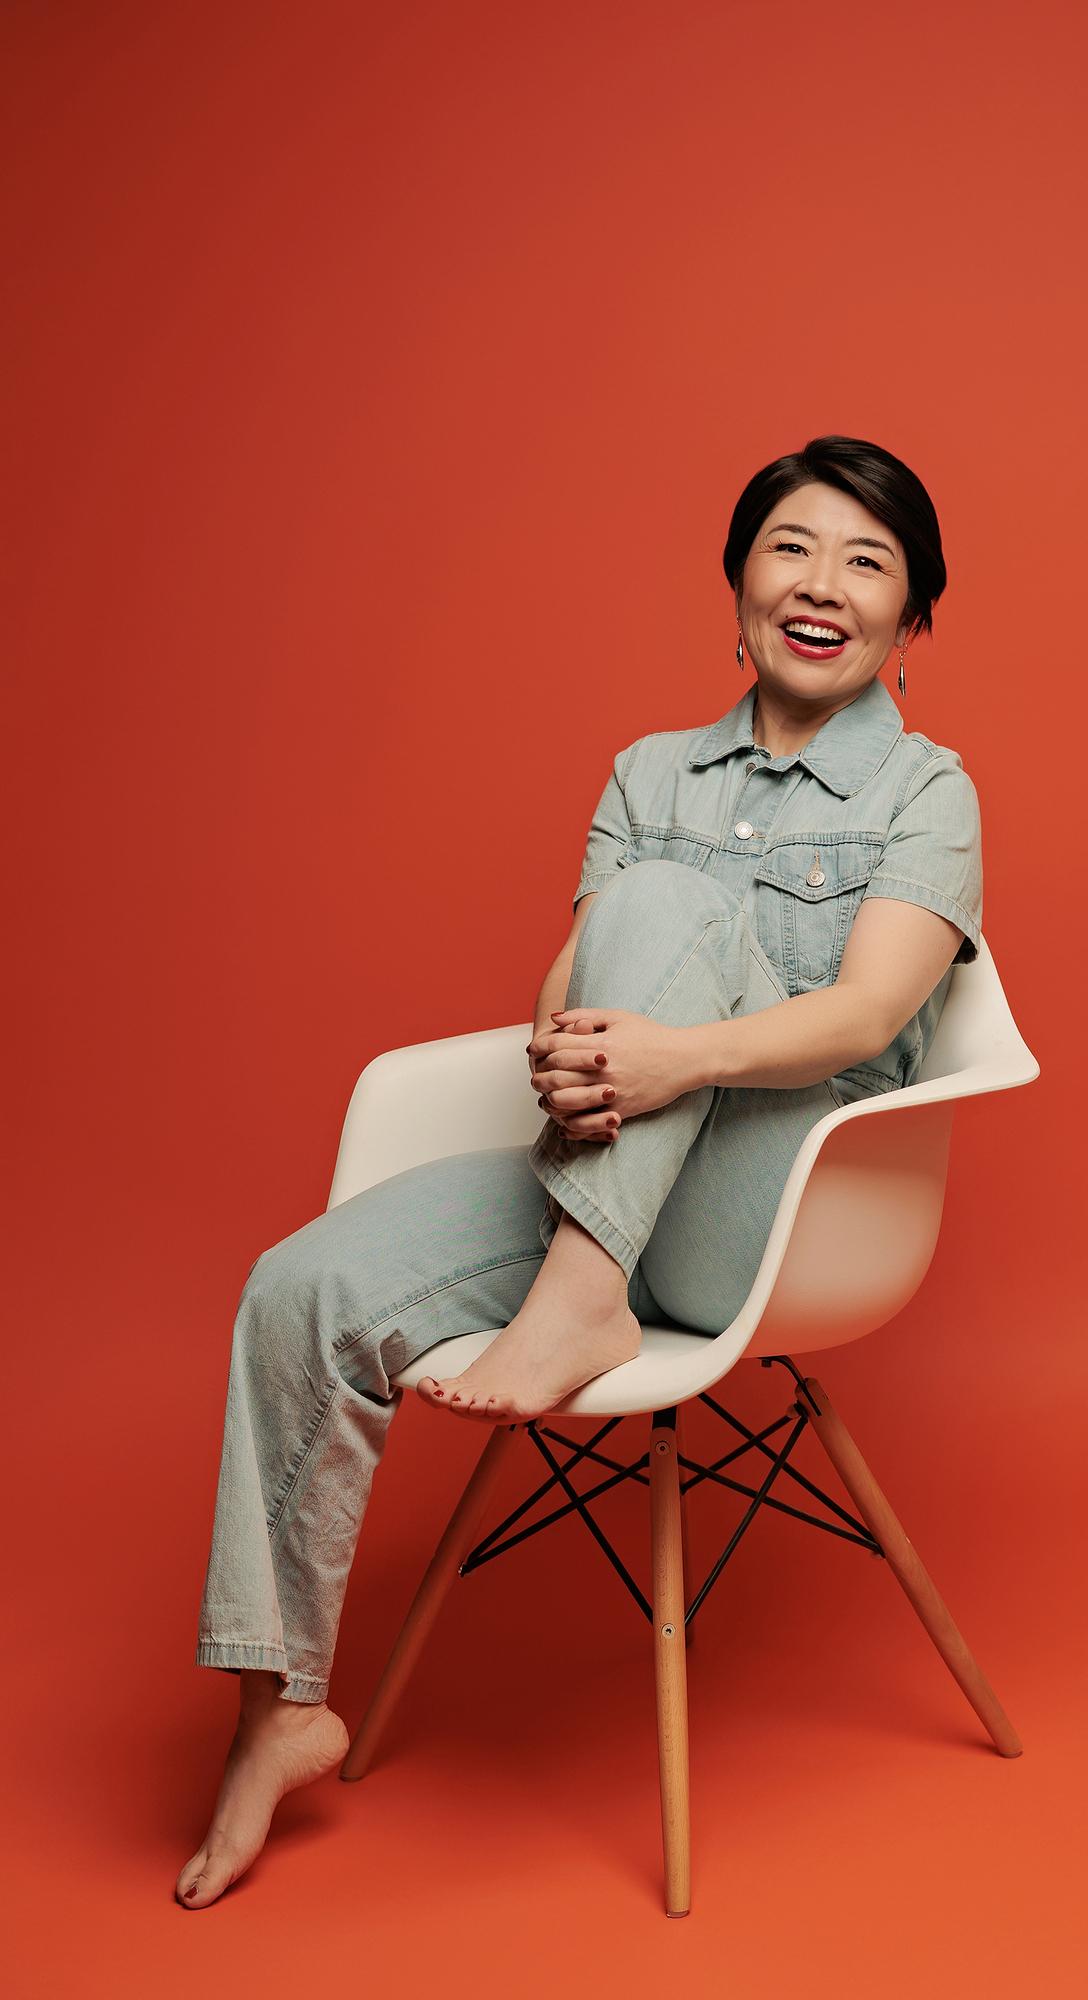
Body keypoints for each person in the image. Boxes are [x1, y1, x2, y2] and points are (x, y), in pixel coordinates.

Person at [176, 433, 984, 1909]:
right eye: (790, 548)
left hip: (773, 1212)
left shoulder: (926, 795)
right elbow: (568, 990)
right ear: (737, 583)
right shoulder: (646, 772)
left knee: (671, 900)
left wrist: (676, 1060)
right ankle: (276, 1711)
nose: (821, 585)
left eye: (867, 563)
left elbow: (871, 1014)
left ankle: (584, 1292)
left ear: (910, 620)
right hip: (605, 1173)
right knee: (301, 1285)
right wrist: (573, 1055)